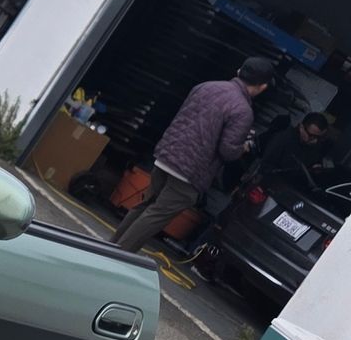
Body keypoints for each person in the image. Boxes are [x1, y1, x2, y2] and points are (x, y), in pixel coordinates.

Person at [114, 55, 276, 251]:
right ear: (263, 87)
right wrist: (243, 147)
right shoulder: (242, 110)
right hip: (190, 171)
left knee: (147, 205)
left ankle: (110, 246)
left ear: (239, 71)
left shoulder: (205, 86)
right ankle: (118, 253)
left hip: (167, 154)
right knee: (157, 214)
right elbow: (228, 151)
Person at [252, 110, 332, 198]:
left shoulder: (315, 148)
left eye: (318, 137)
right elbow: (266, 166)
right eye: (311, 136)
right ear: (301, 127)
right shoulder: (283, 139)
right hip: (272, 189)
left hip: (296, 192)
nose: (314, 140)